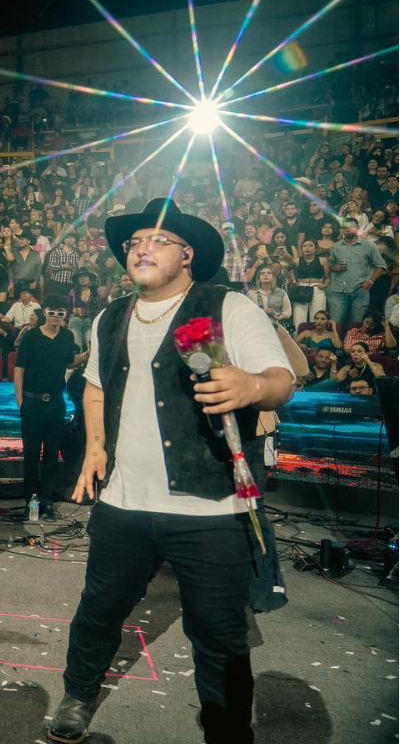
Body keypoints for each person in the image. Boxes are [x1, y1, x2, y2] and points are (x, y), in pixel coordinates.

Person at [50, 199, 294, 744]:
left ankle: (227, 728)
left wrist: (252, 387)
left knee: (219, 634)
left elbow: (280, 378)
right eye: (134, 241)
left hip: (210, 508)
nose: (140, 248)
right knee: (98, 612)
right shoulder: (109, 317)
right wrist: (95, 449)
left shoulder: (227, 306)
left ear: (186, 254)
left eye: (156, 240)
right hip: (124, 504)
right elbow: (95, 387)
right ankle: (79, 693)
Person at [14, 294, 86, 519]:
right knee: (32, 454)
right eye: (52, 312)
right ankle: (30, 501)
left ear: (65, 315)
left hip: (56, 402)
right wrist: (19, 400)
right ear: (45, 312)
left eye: (60, 313)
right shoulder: (31, 336)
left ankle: (46, 500)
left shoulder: (67, 336)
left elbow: (68, 361)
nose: (56, 316)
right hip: (32, 402)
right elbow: (19, 368)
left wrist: (88, 355)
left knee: (52, 455)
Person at [325, 216, 385, 334]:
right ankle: (336, 351)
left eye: (351, 227)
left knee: (357, 326)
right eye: (344, 227)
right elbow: (330, 265)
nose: (347, 230)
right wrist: (334, 267)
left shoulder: (369, 245)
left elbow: (381, 266)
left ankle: (354, 350)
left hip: (359, 292)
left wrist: (370, 282)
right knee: (335, 326)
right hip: (337, 292)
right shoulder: (336, 246)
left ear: (357, 228)